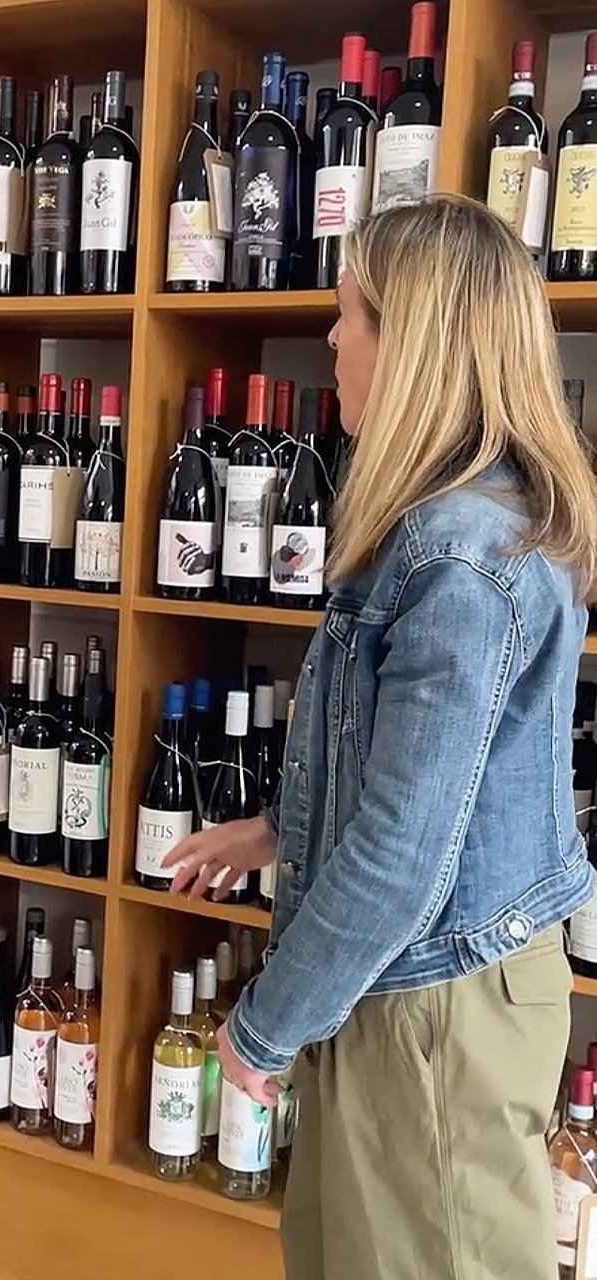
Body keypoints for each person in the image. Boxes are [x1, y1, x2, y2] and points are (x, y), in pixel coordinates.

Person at [164, 195, 597, 1280]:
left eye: (351, 311)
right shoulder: (458, 522)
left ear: (413, 345)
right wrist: (277, 827)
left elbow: (406, 852)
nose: (329, 336)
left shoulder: (458, 557)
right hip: (420, 984)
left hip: (428, 998)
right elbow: (423, 778)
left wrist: (259, 1029)